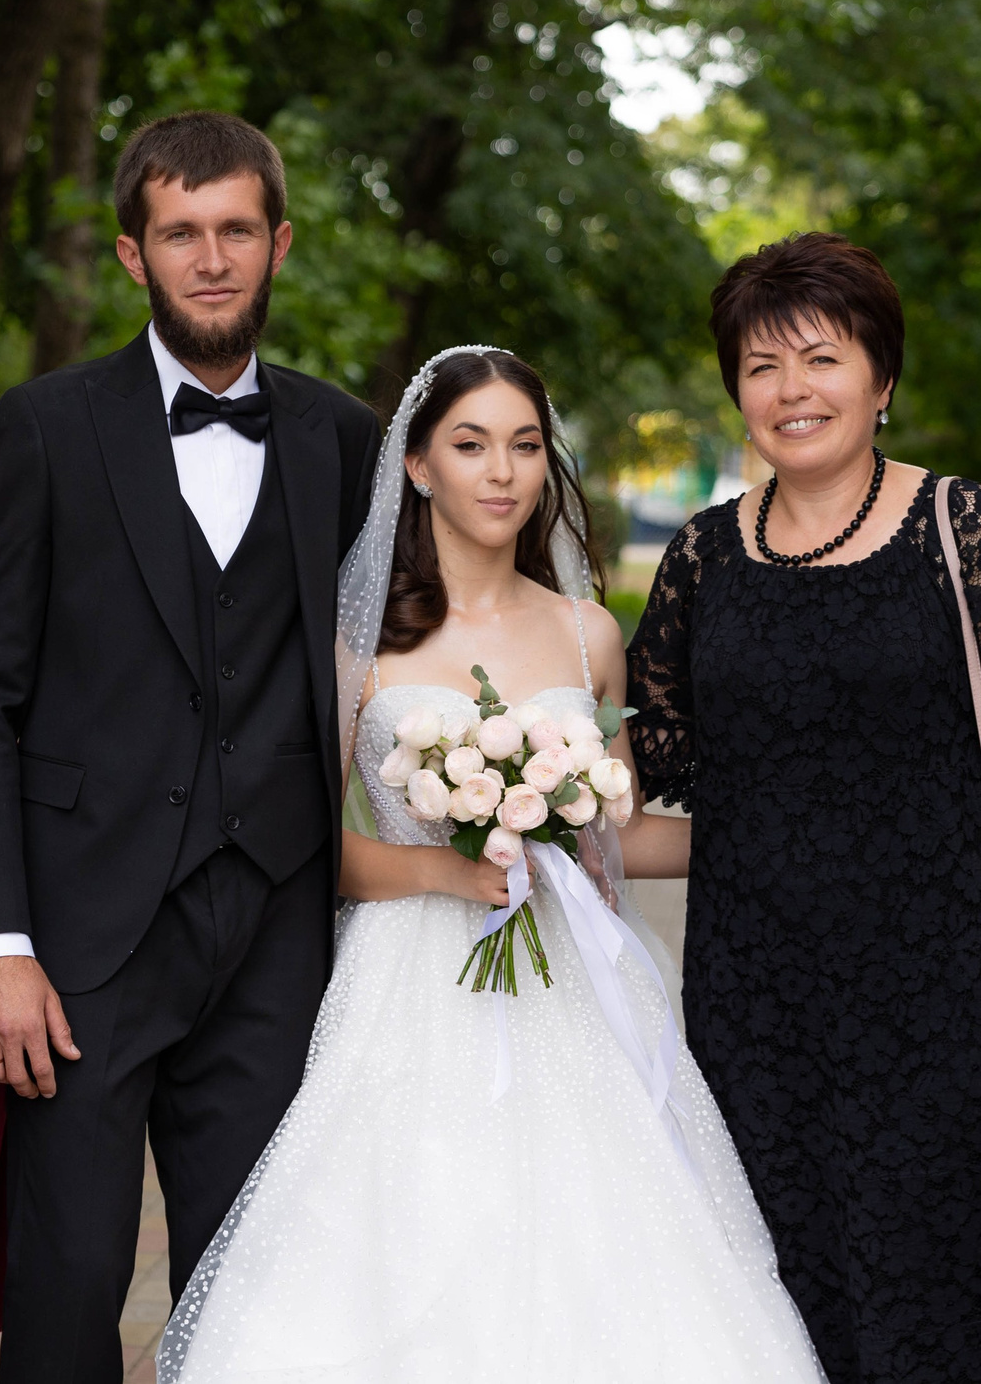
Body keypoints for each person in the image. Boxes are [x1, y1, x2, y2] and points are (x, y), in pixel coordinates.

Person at [157, 347, 825, 1384]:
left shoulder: (587, 631)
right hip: (410, 982)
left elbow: (620, 837)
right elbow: (305, 850)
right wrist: (448, 873)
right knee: (411, 1245)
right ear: (418, 465)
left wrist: (771, 836)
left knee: (606, 1253)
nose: (502, 472)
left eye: (523, 446)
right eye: (470, 446)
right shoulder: (353, 645)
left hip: (575, 982)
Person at [0, 111, 382, 1383]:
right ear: (134, 255)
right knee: (69, 1278)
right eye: (180, 233)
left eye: (235, 230)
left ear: (278, 244)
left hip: (274, 921)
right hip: (79, 932)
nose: (210, 258)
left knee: (250, 1279)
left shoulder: (342, 440)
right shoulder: (47, 426)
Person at [623, 232, 981, 1384]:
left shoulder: (964, 533)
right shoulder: (699, 559)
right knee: (780, 1296)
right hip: (753, 1007)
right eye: (760, 367)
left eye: (821, 359)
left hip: (940, 1001)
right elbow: (653, 778)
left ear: (880, 379)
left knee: (951, 1286)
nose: (791, 392)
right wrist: (511, 810)